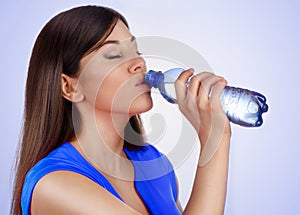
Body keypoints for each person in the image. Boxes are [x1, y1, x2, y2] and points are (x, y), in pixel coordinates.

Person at [11, 5, 231, 215]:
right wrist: (215, 139)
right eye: (114, 55)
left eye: (136, 50)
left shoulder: (154, 164)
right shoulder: (55, 185)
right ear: (70, 87)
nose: (139, 64)